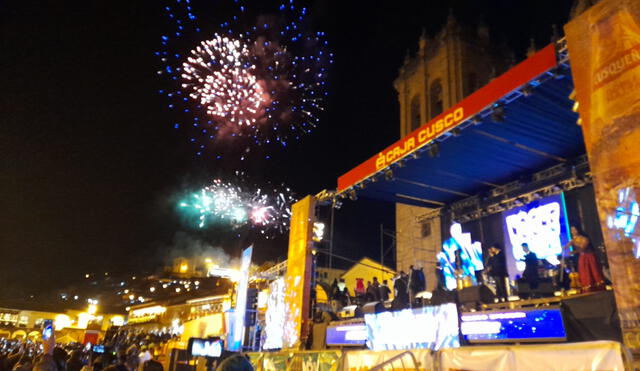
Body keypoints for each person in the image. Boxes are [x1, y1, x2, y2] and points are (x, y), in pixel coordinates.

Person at [565, 226, 606, 292]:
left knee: (593, 272)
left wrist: (574, 251)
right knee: (584, 273)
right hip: (582, 257)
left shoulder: (584, 238)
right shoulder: (574, 239)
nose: (573, 232)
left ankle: (598, 288)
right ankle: (587, 289)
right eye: (572, 230)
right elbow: (567, 245)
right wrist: (565, 247)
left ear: (578, 230)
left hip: (589, 257)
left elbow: (583, 247)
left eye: (574, 230)